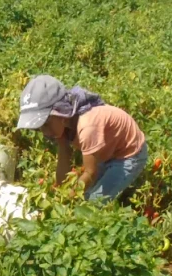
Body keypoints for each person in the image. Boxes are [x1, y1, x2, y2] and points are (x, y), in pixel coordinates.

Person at [16, 74, 148, 202]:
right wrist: (61, 192)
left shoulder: (87, 126)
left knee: (94, 203)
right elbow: (64, 156)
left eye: (46, 124)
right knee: (86, 194)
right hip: (106, 150)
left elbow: (90, 172)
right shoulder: (62, 124)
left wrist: (67, 199)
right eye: (40, 127)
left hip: (129, 154)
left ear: (60, 113)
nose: (45, 131)